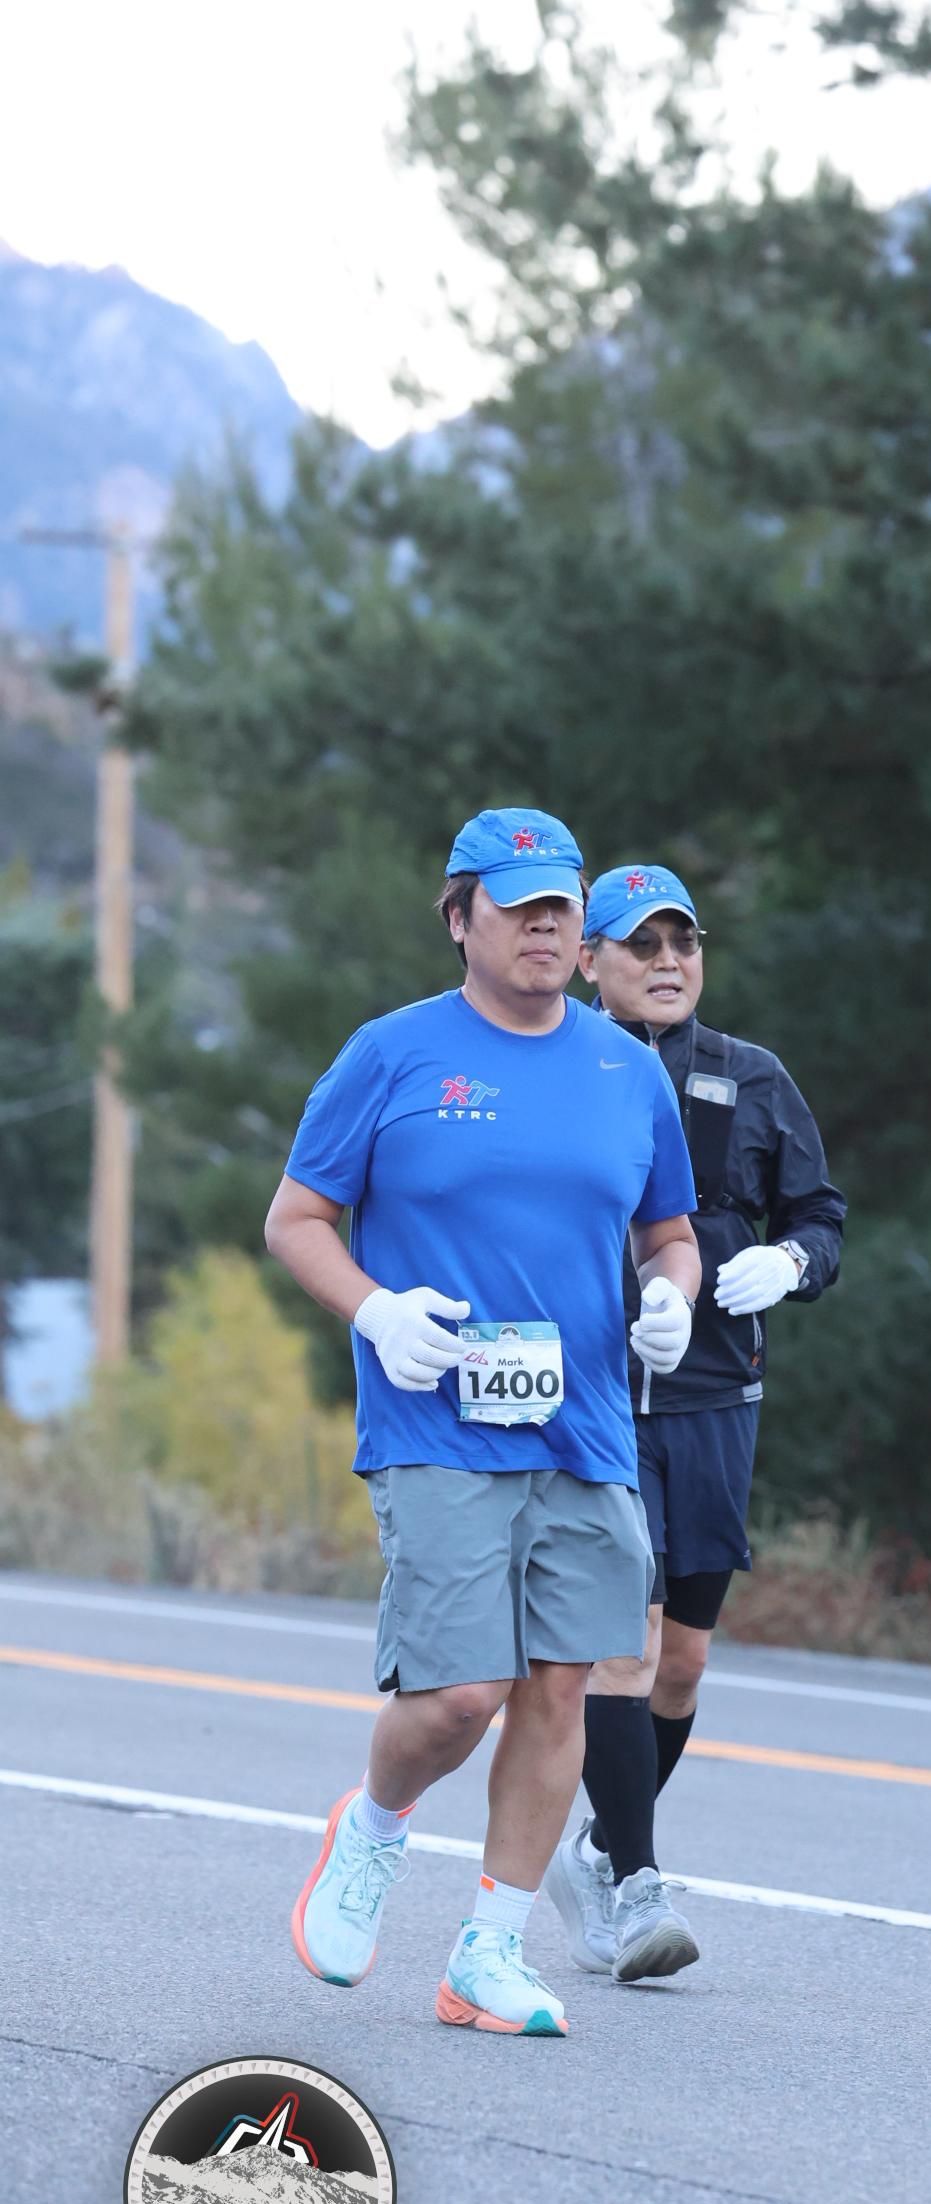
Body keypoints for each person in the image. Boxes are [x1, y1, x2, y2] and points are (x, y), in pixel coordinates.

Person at [266, 807, 700, 2037]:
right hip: (435, 1418)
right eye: (518, 910)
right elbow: (296, 1220)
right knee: (462, 1694)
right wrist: (375, 1309)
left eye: (560, 909)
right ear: (460, 918)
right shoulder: (393, 1054)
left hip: (587, 1429)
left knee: (562, 1690)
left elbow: (669, 1235)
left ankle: (488, 1954)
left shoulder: (626, 1071)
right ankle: (372, 1829)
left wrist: (671, 1298)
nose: (544, 929)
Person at [543, 863, 845, 1982]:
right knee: (622, 1648)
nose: (668, 963)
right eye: (642, 945)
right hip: (596, 1397)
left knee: (683, 1664)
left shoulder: (751, 1075)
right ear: (590, 960)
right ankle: (636, 1885)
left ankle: (598, 1847)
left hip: (717, 1394)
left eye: (684, 944)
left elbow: (821, 1215)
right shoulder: (557, 1065)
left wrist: (791, 1262)